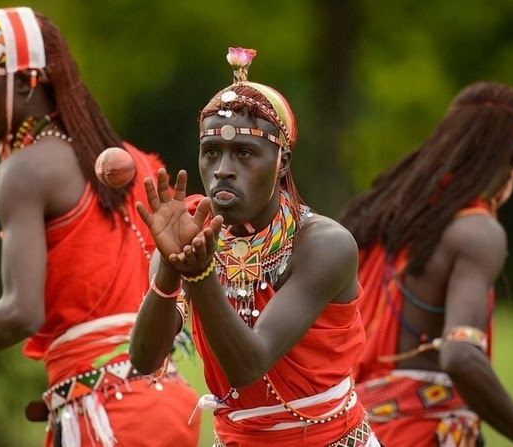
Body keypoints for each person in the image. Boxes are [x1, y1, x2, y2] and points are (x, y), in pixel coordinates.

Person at [0, 7, 200, 447]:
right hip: (170, 402)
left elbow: (21, 313)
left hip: (107, 414)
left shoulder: (24, 172)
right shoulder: (134, 162)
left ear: (26, 82)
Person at [128, 48, 382, 447]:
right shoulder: (187, 228)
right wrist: (169, 270)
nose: (223, 169)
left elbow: (248, 363)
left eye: (245, 152)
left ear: (282, 162)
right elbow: (145, 359)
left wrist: (199, 273)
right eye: (211, 152)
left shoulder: (323, 245)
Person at [340, 81, 513, 447]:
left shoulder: (376, 219)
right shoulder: (478, 230)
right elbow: (461, 356)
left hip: (350, 434)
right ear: (512, 161)